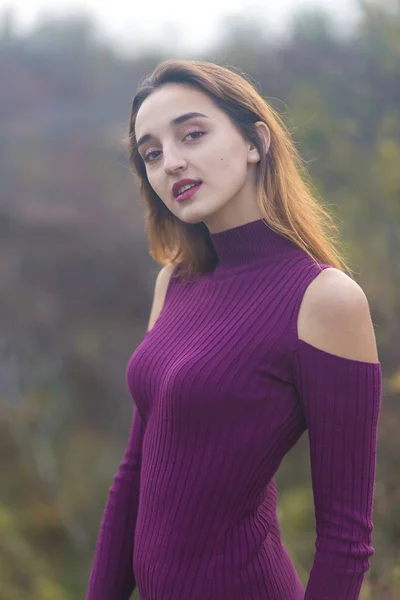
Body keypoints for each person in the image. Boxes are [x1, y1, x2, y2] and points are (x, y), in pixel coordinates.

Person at [85, 59, 382, 600]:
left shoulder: (325, 300)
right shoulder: (175, 282)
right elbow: (135, 473)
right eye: (151, 153)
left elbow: (346, 537)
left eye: (192, 135)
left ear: (255, 142)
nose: (171, 163)